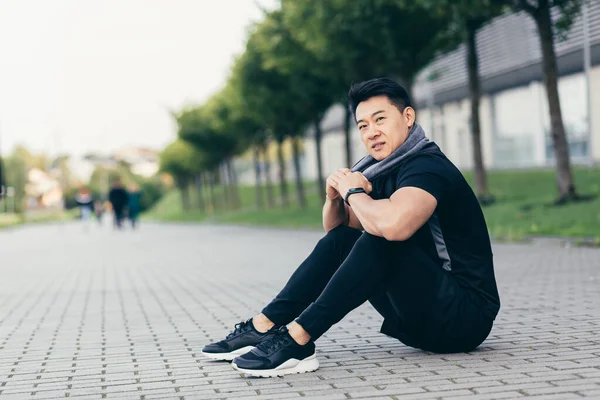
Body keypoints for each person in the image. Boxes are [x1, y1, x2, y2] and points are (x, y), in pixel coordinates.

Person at [202, 78, 500, 378]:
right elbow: (338, 231)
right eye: (363, 126)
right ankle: (263, 326)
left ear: (408, 117)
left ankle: (298, 339)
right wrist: (334, 197)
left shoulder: (427, 167)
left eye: (380, 119)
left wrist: (354, 192)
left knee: (381, 238)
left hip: (464, 318)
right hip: (422, 320)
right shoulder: (381, 168)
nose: (372, 132)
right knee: (348, 238)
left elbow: (395, 228)